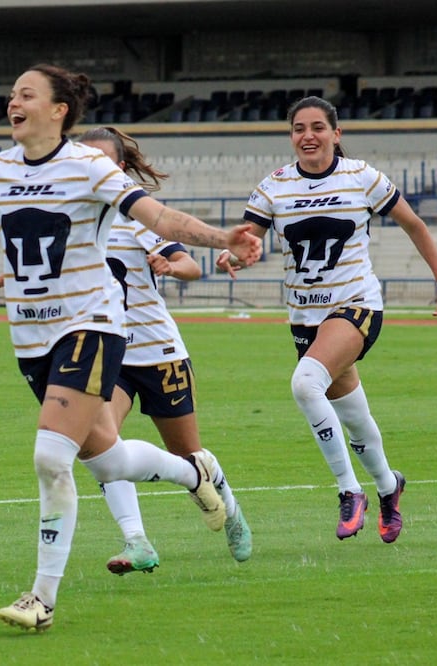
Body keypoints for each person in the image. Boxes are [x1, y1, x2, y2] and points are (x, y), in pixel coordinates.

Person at [0, 63, 261, 632]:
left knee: (50, 457)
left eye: (26, 94)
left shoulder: (90, 166)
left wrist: (223, 236)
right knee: (107, 458)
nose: (12, 102)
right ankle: (191, 476)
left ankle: (41, 599)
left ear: (59, 111)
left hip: (91, 324)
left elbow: (158, 215)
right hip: (31, 338)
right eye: (10, 94)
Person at [219, 95, 437, 544]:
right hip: (304, 315)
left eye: (317, 127)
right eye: (298, 128)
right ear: (290, 136)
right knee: (352, 413)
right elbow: (247, 240)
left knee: (304, 384)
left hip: (357, 304)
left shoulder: (362, 177)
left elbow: (415, 225)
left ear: (337, 133)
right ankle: (390, 487)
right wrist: (233, 255)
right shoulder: (273, 187)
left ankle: (351, 491)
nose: (307, 136)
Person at [78, 126, 252, 569]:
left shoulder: (136, 215)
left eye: (101, 160)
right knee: (100, 444)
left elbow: (189, 265)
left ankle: (231, 510)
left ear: (118, 167)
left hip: (158, 351)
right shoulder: (72, 215)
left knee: (187, 453)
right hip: (108, 351)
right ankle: (138, 542)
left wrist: (170, 266)